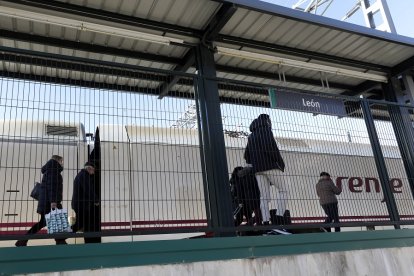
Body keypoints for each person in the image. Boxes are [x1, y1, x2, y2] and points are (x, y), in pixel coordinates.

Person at [244, 114, 287, 227]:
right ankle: (279, 217)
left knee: (264, 196)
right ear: (266, 121)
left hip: (258, 170)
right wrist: (280, 163)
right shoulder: (266, 131)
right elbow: (271, 148)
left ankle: (266, 221)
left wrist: (255, 162)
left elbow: (246, 155)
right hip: (271, 166)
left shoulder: (251, 136)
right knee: (283, 190)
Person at [15, 155, 67, 246]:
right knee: (56, 220)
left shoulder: (49, 170)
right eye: (61, 161)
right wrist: (54, 201)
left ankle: (23, 240)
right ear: (58, 160)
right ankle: (60, 241)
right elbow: (52, 186)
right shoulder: (53, 170)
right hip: (50, 202)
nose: (62, 163)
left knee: (45, 222)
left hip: (46, 202)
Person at [71, 162, 100, 243]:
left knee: (83, 223)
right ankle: (62, 237)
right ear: (89, 168)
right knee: (80, 224)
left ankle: (88, 241)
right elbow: (89, 190)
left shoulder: (81, 175)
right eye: (93, 170)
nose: (93, 173)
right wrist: (96, 200)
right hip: (81, 205)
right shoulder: (84, 176)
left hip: (79, 204)